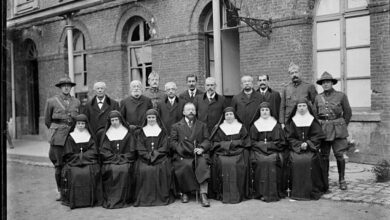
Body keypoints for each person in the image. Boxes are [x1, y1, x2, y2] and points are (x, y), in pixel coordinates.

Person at [314, 71, 352, 191]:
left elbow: (348, 113)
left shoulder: (341, 96)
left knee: (340, 156)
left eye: (328, 82)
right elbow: (315, 115)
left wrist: (341, 125)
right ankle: (325, 180)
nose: (325, 84)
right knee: (324, 156)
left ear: (332, 83)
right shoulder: (318, 98)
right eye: (323, 83)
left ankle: (342, 179)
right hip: (323, 129)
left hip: (338, 129)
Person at [44, 76, 80, 201]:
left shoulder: (76, 102)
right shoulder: (52, 101)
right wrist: (57, 130)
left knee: (72, 163)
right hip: (58, 137)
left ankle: (71, 189)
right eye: (63, 85)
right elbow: (47, 121)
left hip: (72, 136)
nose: (66, 87)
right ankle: (60, 191)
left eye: (68, 85)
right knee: (58, 165)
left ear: (71, 87)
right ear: (60, 88)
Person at [170, 102, 211, 207]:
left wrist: (202, 148)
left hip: (198, 154)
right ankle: (185, 192)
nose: (191, 111)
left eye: (193, 109)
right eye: (188, 109)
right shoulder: (176, 126)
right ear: (183, 112)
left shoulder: (202, 125)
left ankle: (203, 194)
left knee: (202, 164)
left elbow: (207, 140)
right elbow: (173, 142)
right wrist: (182, 149)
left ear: (196, 112)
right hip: (182, 154)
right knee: (185, 165)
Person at [285, 98, 327, 200]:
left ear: (307, 107)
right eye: (299, 106)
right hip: (296, 149)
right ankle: (296, 191)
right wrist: (299, 144)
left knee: (311, 160)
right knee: (295, 160)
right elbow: (289, 137)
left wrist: (308, 144)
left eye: (304, 106)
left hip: (310, 149)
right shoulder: (292, 121)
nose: (302, 108)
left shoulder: (312, 120)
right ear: (296, 108)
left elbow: (317, 136)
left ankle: (311, 190)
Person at [133, 109, 175, 206]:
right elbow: (140, 147)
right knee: (143, 169)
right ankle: (144, 198)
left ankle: (161, 197)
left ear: (156, 118)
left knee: (161, 168)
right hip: (144, 158)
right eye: (149, 118)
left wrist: (155, 155)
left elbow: (164, 147)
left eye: (153, 117)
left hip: (160, 158)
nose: (151, 119)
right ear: (146, 119)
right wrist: (147, 156)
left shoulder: (162, 131)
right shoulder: (141, 132)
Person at [209, 107, 250, 204]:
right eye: (227, 115)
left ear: (234, 115)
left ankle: (238, 194)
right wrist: (230, 145)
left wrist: (232, 144)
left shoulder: (241, 127)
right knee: (223, 163)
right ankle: (223, 194)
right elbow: (214, 143)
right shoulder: (219, 128)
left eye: (231, 114)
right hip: (222, 153)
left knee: (238, 164)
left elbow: (246, 142)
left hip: (238, 153)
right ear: (224, 116)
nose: (229, 116)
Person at [61, 114, 102, 209]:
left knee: (90, 172)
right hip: (74, 162)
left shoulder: (89, 136)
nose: (80, 125)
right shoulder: (71, 137)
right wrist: (80, 158)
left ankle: (90, 200)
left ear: (86, 125)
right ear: (75, 124)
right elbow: (68, 153)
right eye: (79, 123)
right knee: (76, 174)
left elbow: (93, 151)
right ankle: (76, 201)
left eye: (82, 123)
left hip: (88, 162)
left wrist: (82, 157)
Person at [249, 102, 286, 202]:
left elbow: (281, 142)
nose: (264, 112)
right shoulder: (255, 126)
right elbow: (252, 142)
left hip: (274, 151)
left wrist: (268, 146)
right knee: (262, 161)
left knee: (271, 161)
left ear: (270, 112)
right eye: (262, 110)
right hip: (258, 152)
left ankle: (274, 193)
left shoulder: (276, 125)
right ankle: (260, 193)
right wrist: (263, 146)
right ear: (259, 112)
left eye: (266, 110)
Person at [100, 110, 136, 208]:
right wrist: (115, 158)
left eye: (116, 119)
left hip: (125, 160)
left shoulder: (127, 133)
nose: (115, 122)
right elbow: (104, 151)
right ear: (110, 121)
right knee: (111, 169)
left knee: (125, 169)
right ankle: (112, 198)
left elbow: (131, 151)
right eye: (112, 120)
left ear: (120, 120)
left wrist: (122, 158)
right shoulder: (107, 134)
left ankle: (125, 199)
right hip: (110, 161)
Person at [279, 62, 317, 128]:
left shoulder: (309, 86)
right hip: (289, 121)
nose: (294, 75)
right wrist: (282, 122)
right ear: (290, 75)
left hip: (305, 119)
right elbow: (282, 107)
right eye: (292, 73)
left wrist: (314, 118)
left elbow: (315, 104)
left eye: (296, 72)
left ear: (300, 73)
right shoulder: (286, 88)